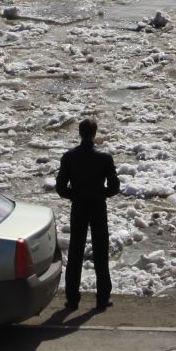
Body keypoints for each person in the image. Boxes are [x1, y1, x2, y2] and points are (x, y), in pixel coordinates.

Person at [55, 117, 120, 307]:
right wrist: (102, 194)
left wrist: (75, 195)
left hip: (79, 207)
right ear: (95, 134)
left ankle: (72, 298)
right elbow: (114, 187)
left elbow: (60, 187)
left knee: (75, 250)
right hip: (98, 207)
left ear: (80, 133)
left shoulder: (69, 157)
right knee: (101, 250)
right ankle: (103, 297)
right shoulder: (104, 158)